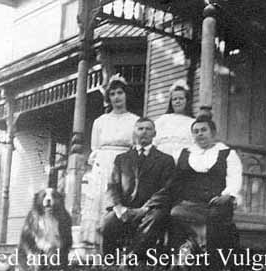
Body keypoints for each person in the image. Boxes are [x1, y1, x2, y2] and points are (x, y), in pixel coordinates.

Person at [147, 115, 243, 252]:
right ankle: (181, 255)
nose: (200, 134)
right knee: (175, 212)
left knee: (215, 216)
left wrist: (227, 195)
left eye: (204, 130)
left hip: (215, 202)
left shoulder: (227, 153)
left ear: (213, 133)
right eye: (196, 131)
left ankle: (211, 259)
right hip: (189, 201)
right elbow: (174, 180)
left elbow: (235, 178)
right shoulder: (185, 153)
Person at [80, 74, 140, 249]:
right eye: (112, 94)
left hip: (125, 166)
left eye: (120, 92)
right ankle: (98, 250)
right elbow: (95, 147)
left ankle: (121, 249)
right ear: (109, 98)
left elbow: (136, 147)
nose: (117, 97)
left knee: (120, 205)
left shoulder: (135, 120)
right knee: (101, 204)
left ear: (126, 95)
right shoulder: (100, 121)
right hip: (104, 166)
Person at [102, 117, 175, 258]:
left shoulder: (165, 159)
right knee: (109, 220)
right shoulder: (121, 158)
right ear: (134, 133)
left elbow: (167, 189)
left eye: (148, 129)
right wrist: (118, 207)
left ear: (155, 133)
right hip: (125, 208)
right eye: (140, 129)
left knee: (156, 218)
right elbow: (112, 186)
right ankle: (109, 260)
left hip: (150, 208)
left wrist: (145, 209)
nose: (144, 132)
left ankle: (131, 257)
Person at [153, 80, 195, 160]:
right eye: (174, 99)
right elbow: (153, 142)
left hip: (182, 162)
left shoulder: (193, 122)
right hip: (162, 161)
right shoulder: (162, 120)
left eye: (181, 99)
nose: (177, 101)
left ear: (187, 100)